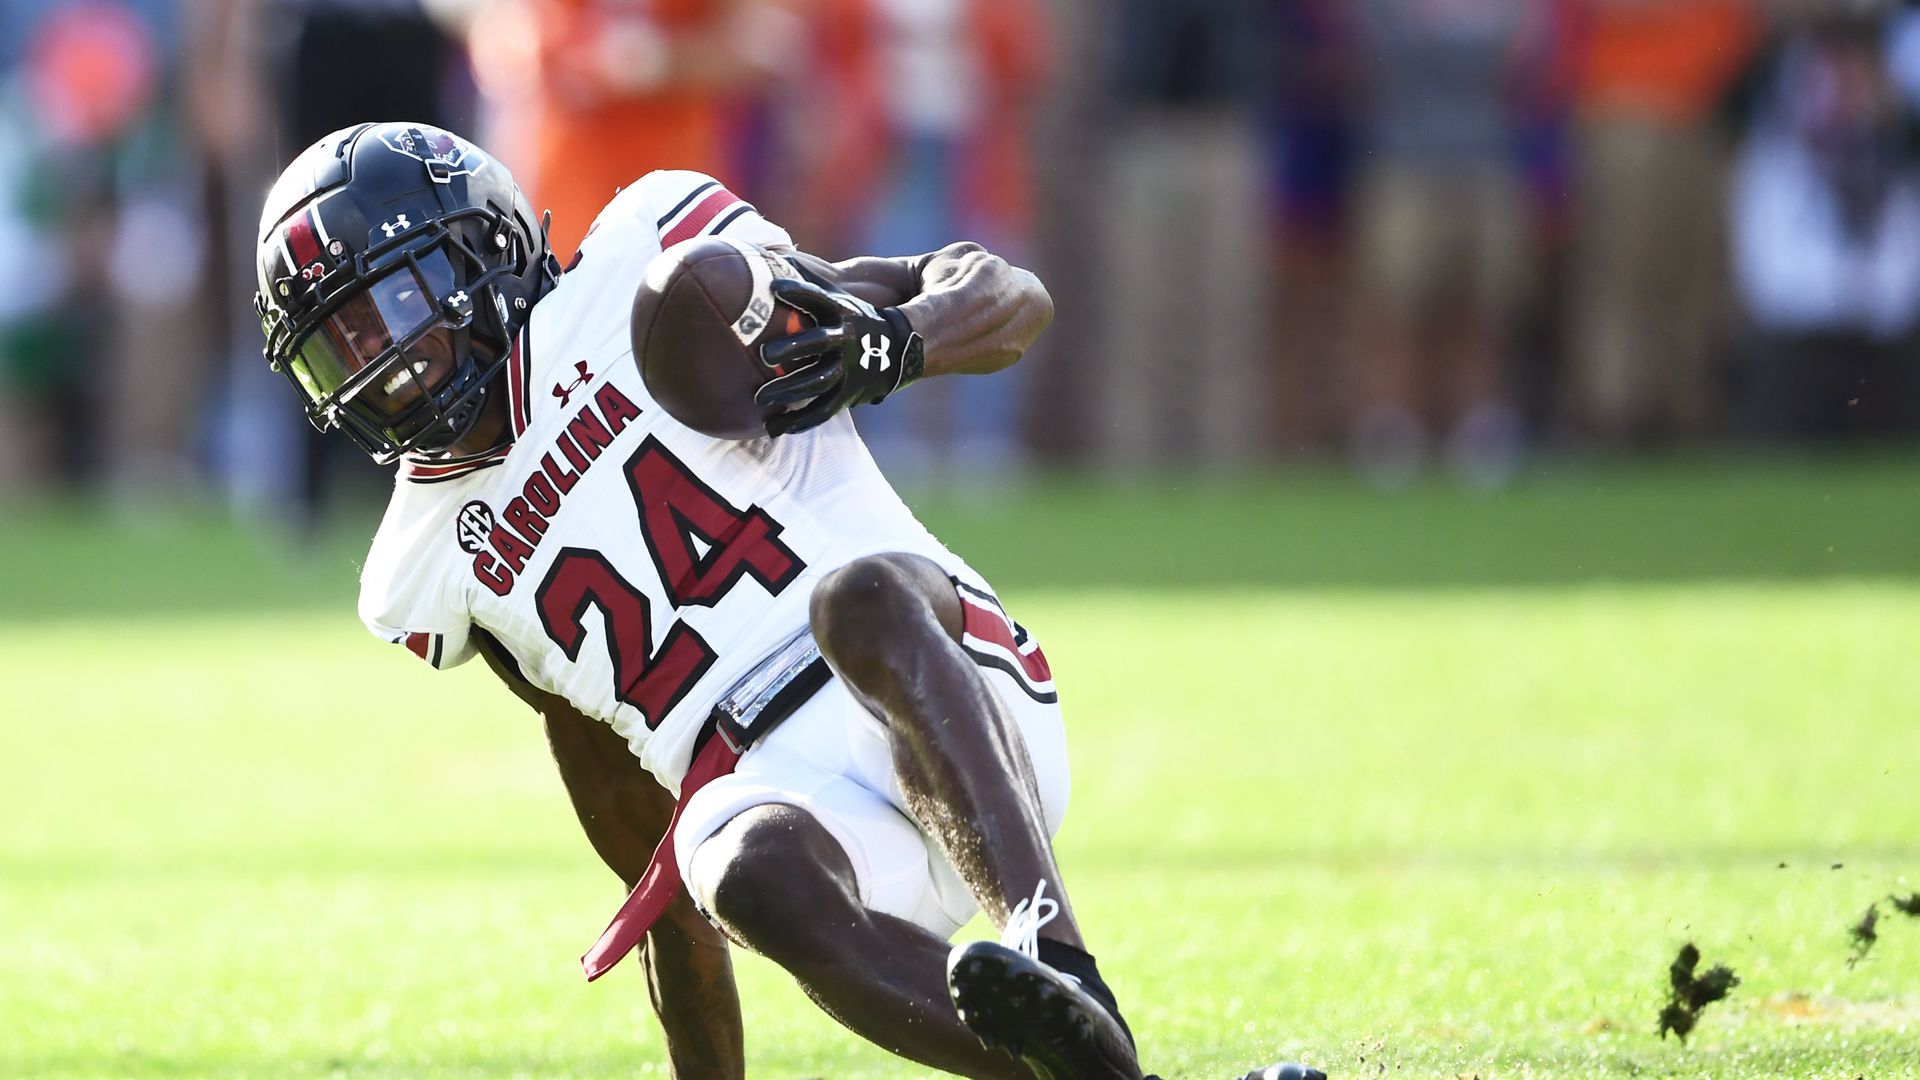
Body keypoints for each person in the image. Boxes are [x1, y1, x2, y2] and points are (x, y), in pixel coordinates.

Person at [252, 122, 1320, 1079]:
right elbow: (638, 832)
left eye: (386, 306)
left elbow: (1006, 293)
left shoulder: (648, 259)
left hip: (953, 700)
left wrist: (890, 342)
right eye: (334, 344)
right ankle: (1085, 1070)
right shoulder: (430, 562)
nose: (377, 363)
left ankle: (1055, 948)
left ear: (477, 245)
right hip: (802, 807)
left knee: (856, 599)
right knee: (734, 862)